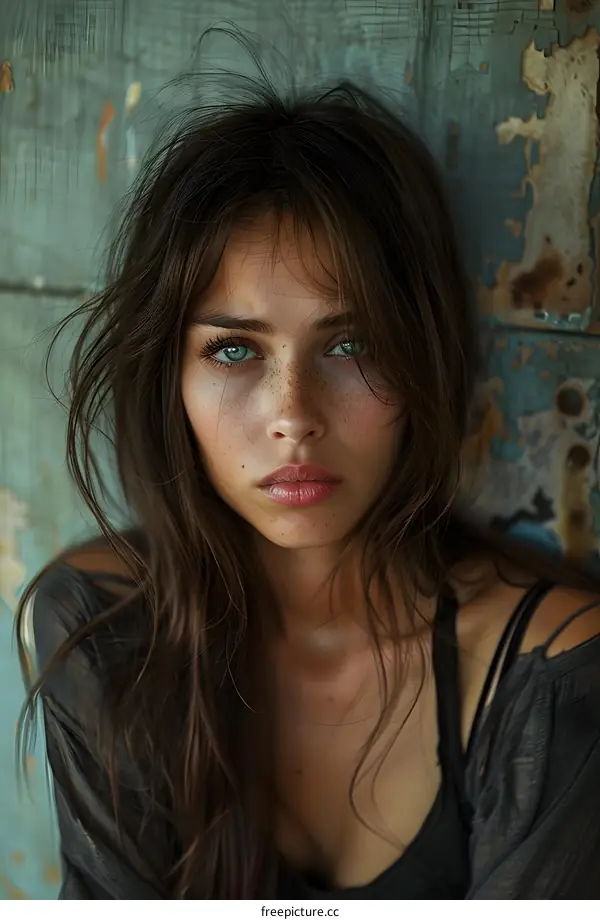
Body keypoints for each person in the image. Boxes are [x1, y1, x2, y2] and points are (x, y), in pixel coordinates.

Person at [15, 77, 600, 901]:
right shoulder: (109, 628)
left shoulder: (550, 673)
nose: (293, 417)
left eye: (351, 342)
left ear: (422, 356)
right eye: (233, 351)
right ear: (167, 377)